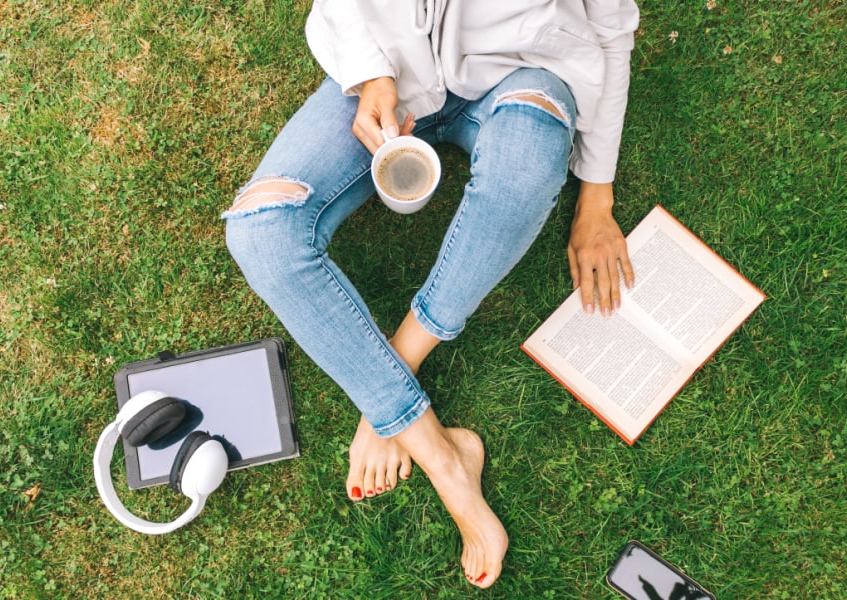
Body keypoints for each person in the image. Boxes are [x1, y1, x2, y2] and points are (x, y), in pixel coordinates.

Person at [224, 0, 639, 588]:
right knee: (260, 229)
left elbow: (612, 28)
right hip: (387, 73)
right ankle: (443, 458)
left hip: (523, 72)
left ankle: (395, 374)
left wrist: (596, 199)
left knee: (522, 176)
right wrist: (372, 72)